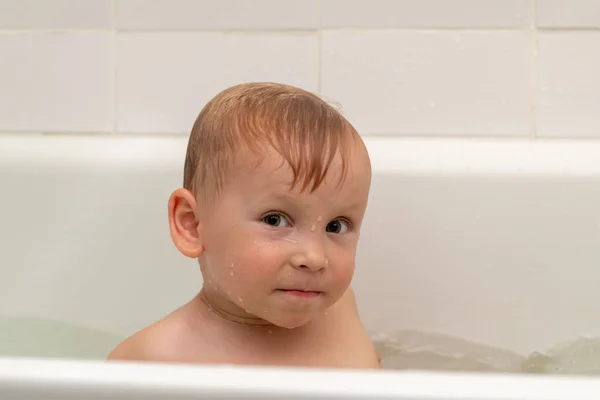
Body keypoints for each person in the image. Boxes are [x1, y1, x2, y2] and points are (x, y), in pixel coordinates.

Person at [108, 82, 380, 369]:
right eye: (275, 220)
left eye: (336, 226)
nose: (314, 258)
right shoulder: (152, 360)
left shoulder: (340, 310)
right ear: (192, 224)